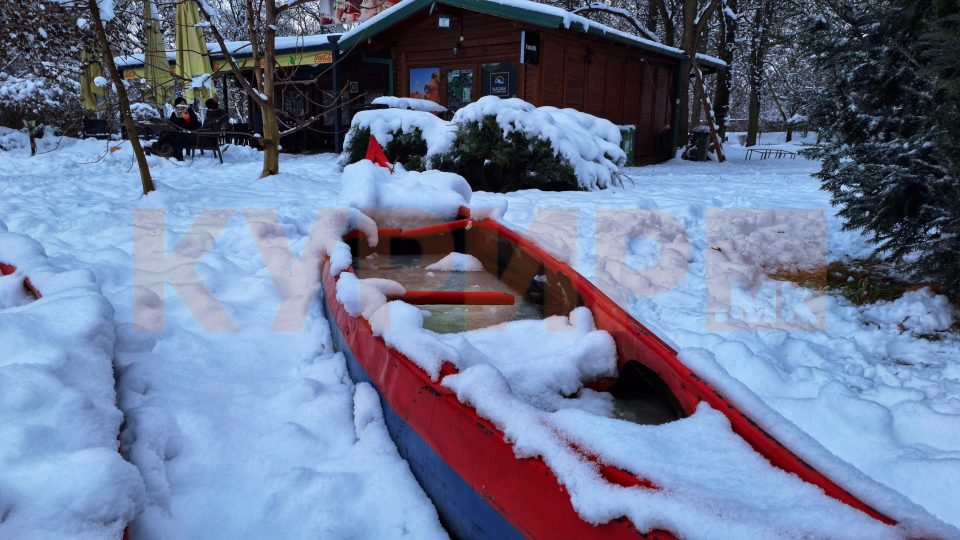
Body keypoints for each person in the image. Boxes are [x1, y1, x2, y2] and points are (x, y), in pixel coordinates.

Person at [149, 96, 199, 161]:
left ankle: (178, 159)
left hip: (189, 135)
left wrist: (187, 118)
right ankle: (160, 151)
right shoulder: (174, 114)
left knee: (178, 139)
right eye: (181, 104)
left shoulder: (190, 112)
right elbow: (171, 124)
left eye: (184, 104)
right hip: (176, 133)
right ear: (177, 105)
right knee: (165, 133)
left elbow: (195, 125)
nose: (183, 106)